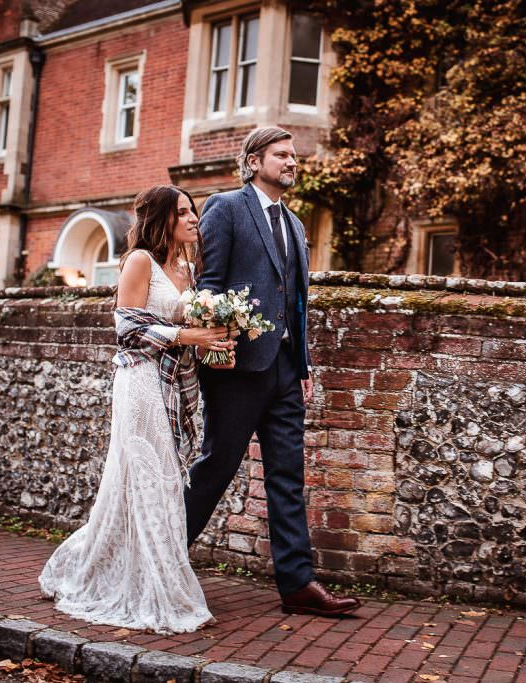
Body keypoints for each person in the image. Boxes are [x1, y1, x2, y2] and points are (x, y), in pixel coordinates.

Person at [39, 185, 236, 633]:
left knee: (164, 482)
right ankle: (157, 587)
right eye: (183, 212)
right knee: (152, 477)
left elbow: (189, 326)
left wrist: (219, 341)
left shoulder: (188, 267)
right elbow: (126, 327)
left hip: (174, 384)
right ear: (162, 219)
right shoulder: (140, 261)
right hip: (141, 382)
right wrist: (190, 337)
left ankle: (128, 567)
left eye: (193, 212)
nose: (193, 220)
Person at [186, 127, 360, 616]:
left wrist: (301, 364)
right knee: (217, 467)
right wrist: (220, 344)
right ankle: (160, 556)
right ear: (254, 160)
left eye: (294, 155)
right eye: (282, 155)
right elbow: (209, 287)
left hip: (284, 369)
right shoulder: (226, 207)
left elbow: (299, 304)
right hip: (237, 368)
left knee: (287, 475)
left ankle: (297, 584)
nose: (292, 162)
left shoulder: (297, 224)